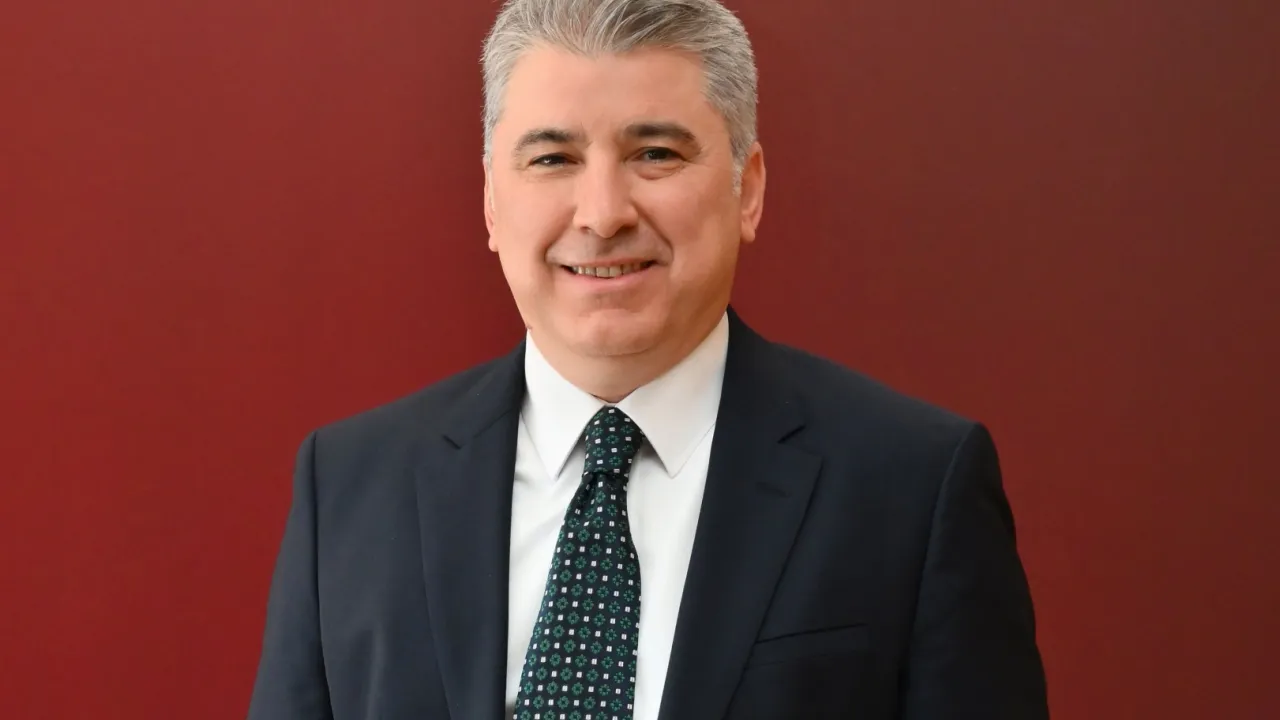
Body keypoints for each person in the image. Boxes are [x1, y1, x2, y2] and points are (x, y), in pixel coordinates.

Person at [246, 0, 1049, 717]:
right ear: (491, 200)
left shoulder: (912, 487)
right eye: (553, 159)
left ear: (748, 190)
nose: (602, 215)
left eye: (656, 153)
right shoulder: (349, 486)